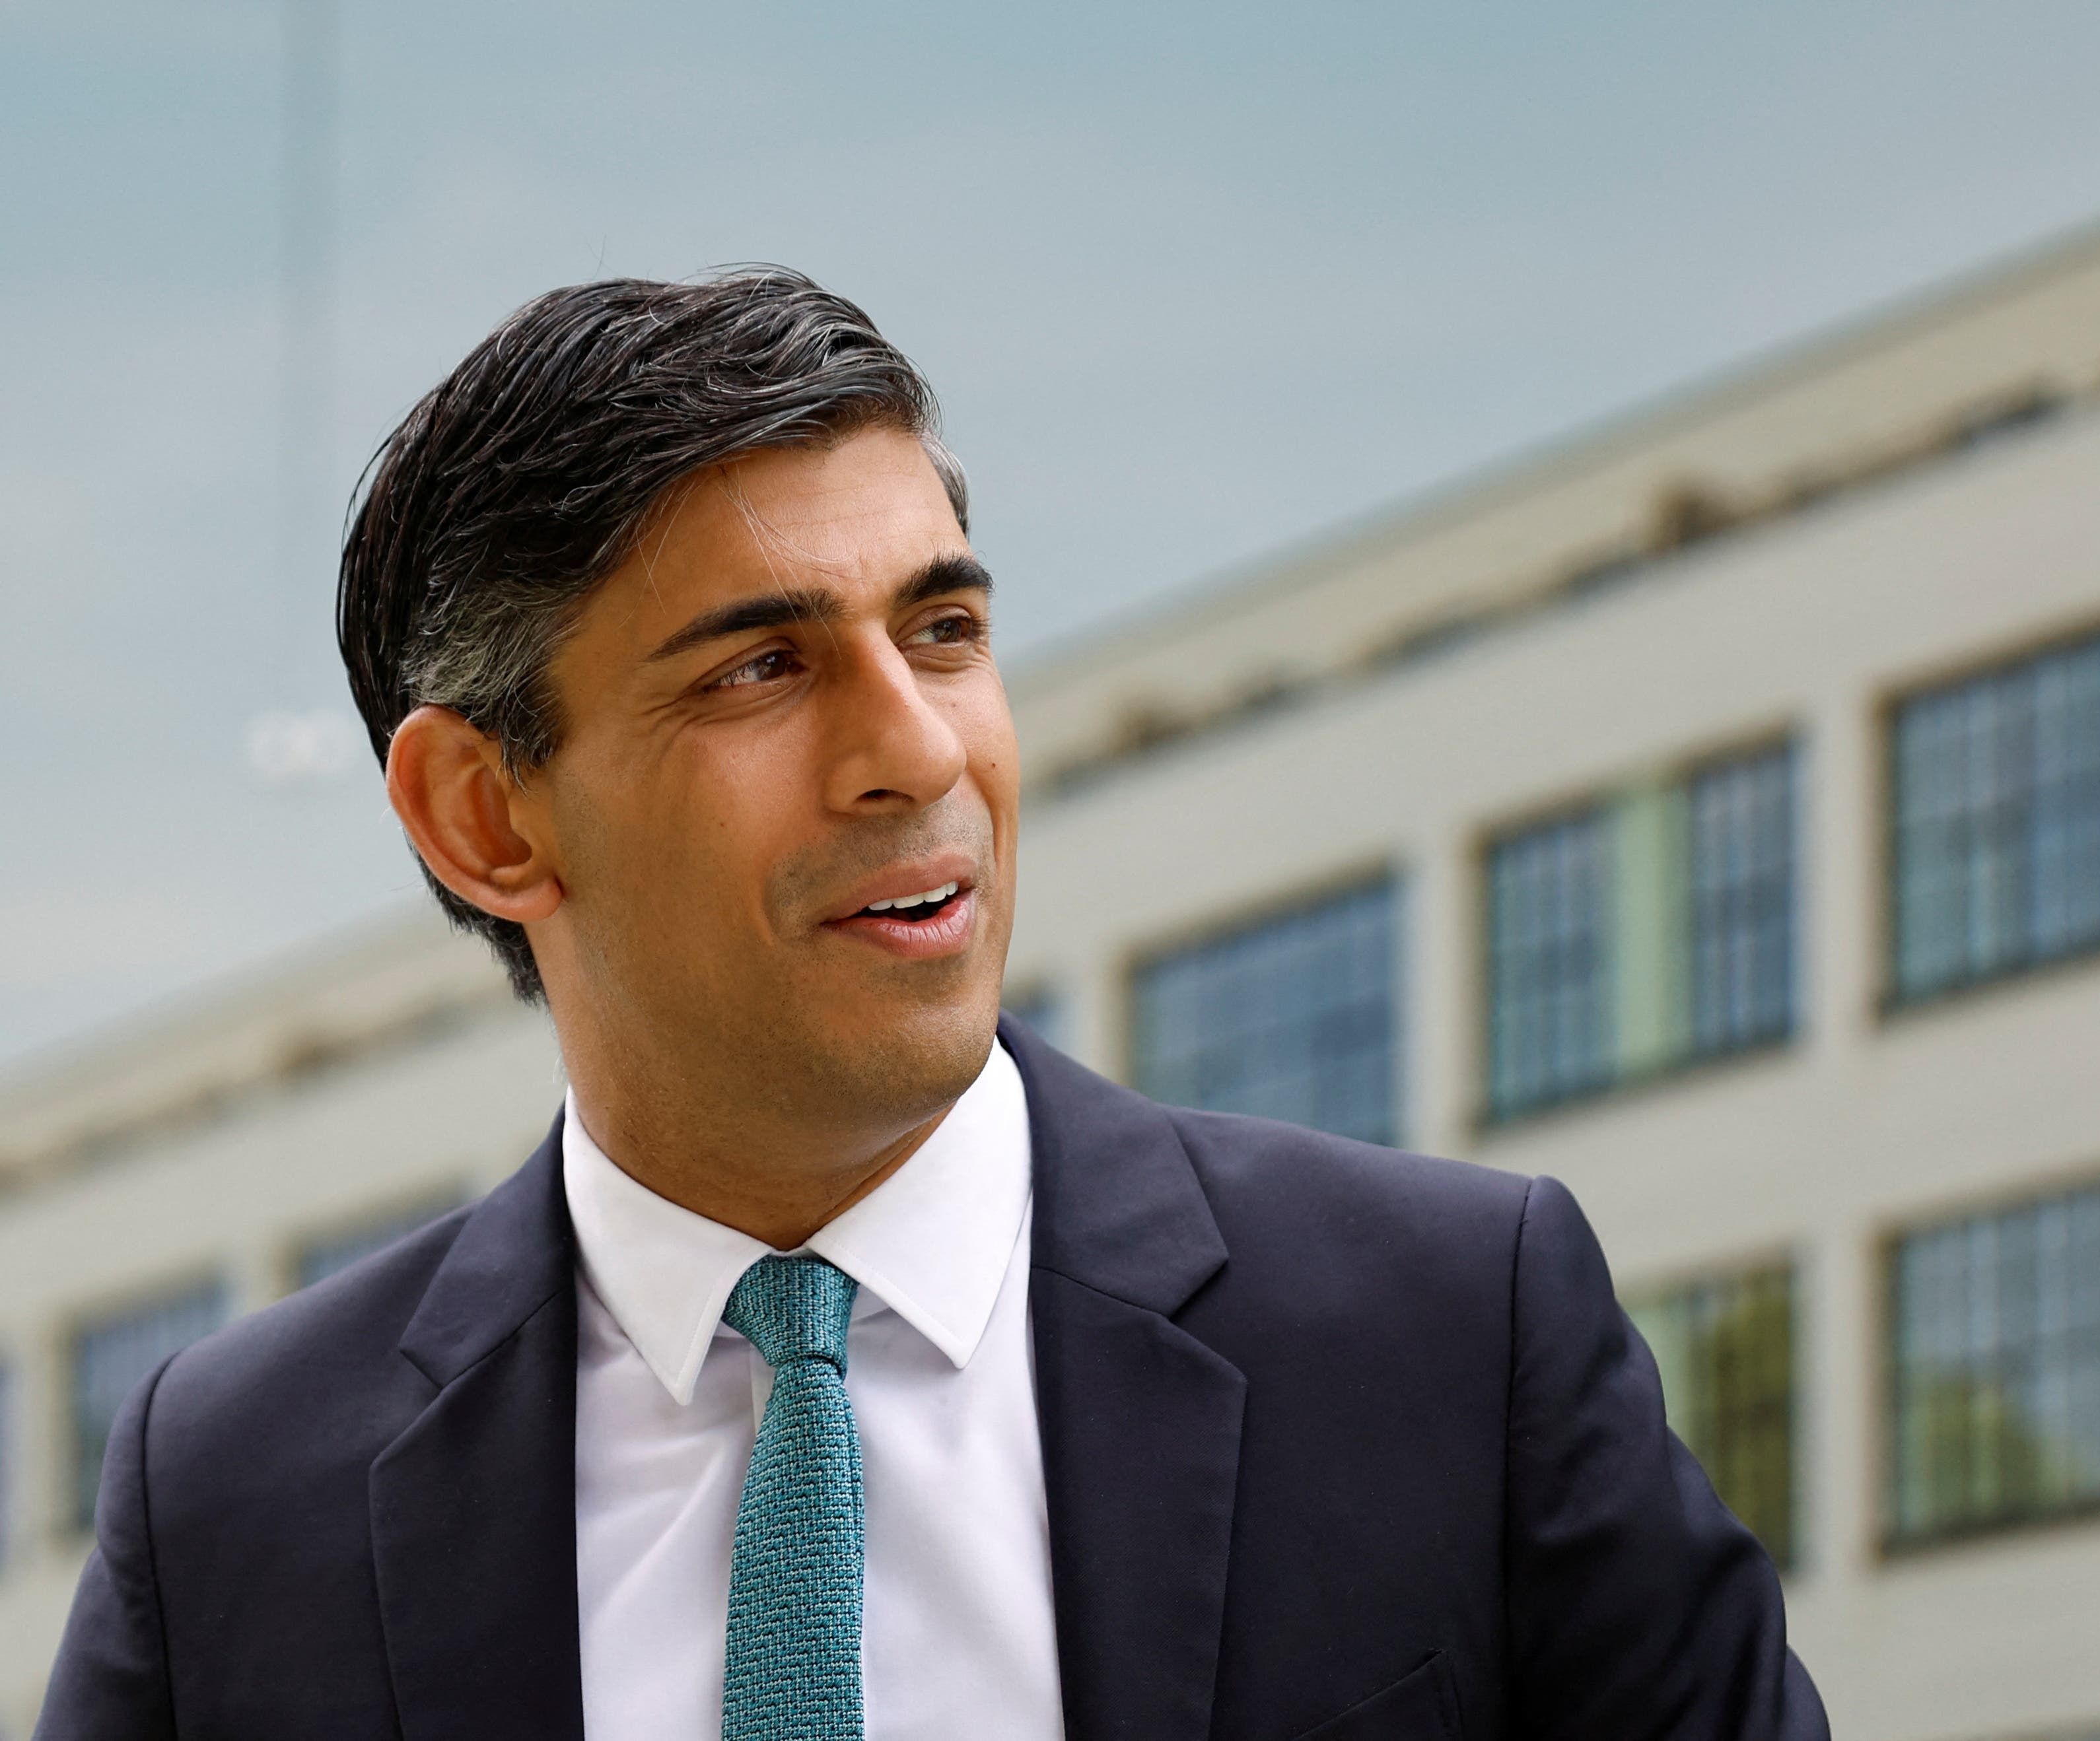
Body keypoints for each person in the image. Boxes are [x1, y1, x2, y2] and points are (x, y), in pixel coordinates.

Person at [38, 269, 1825, 1741]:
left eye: (945, 631)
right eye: (761, 667)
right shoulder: (232, 1503)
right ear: (485, 816)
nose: (915, 752)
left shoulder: (1451, 1340)